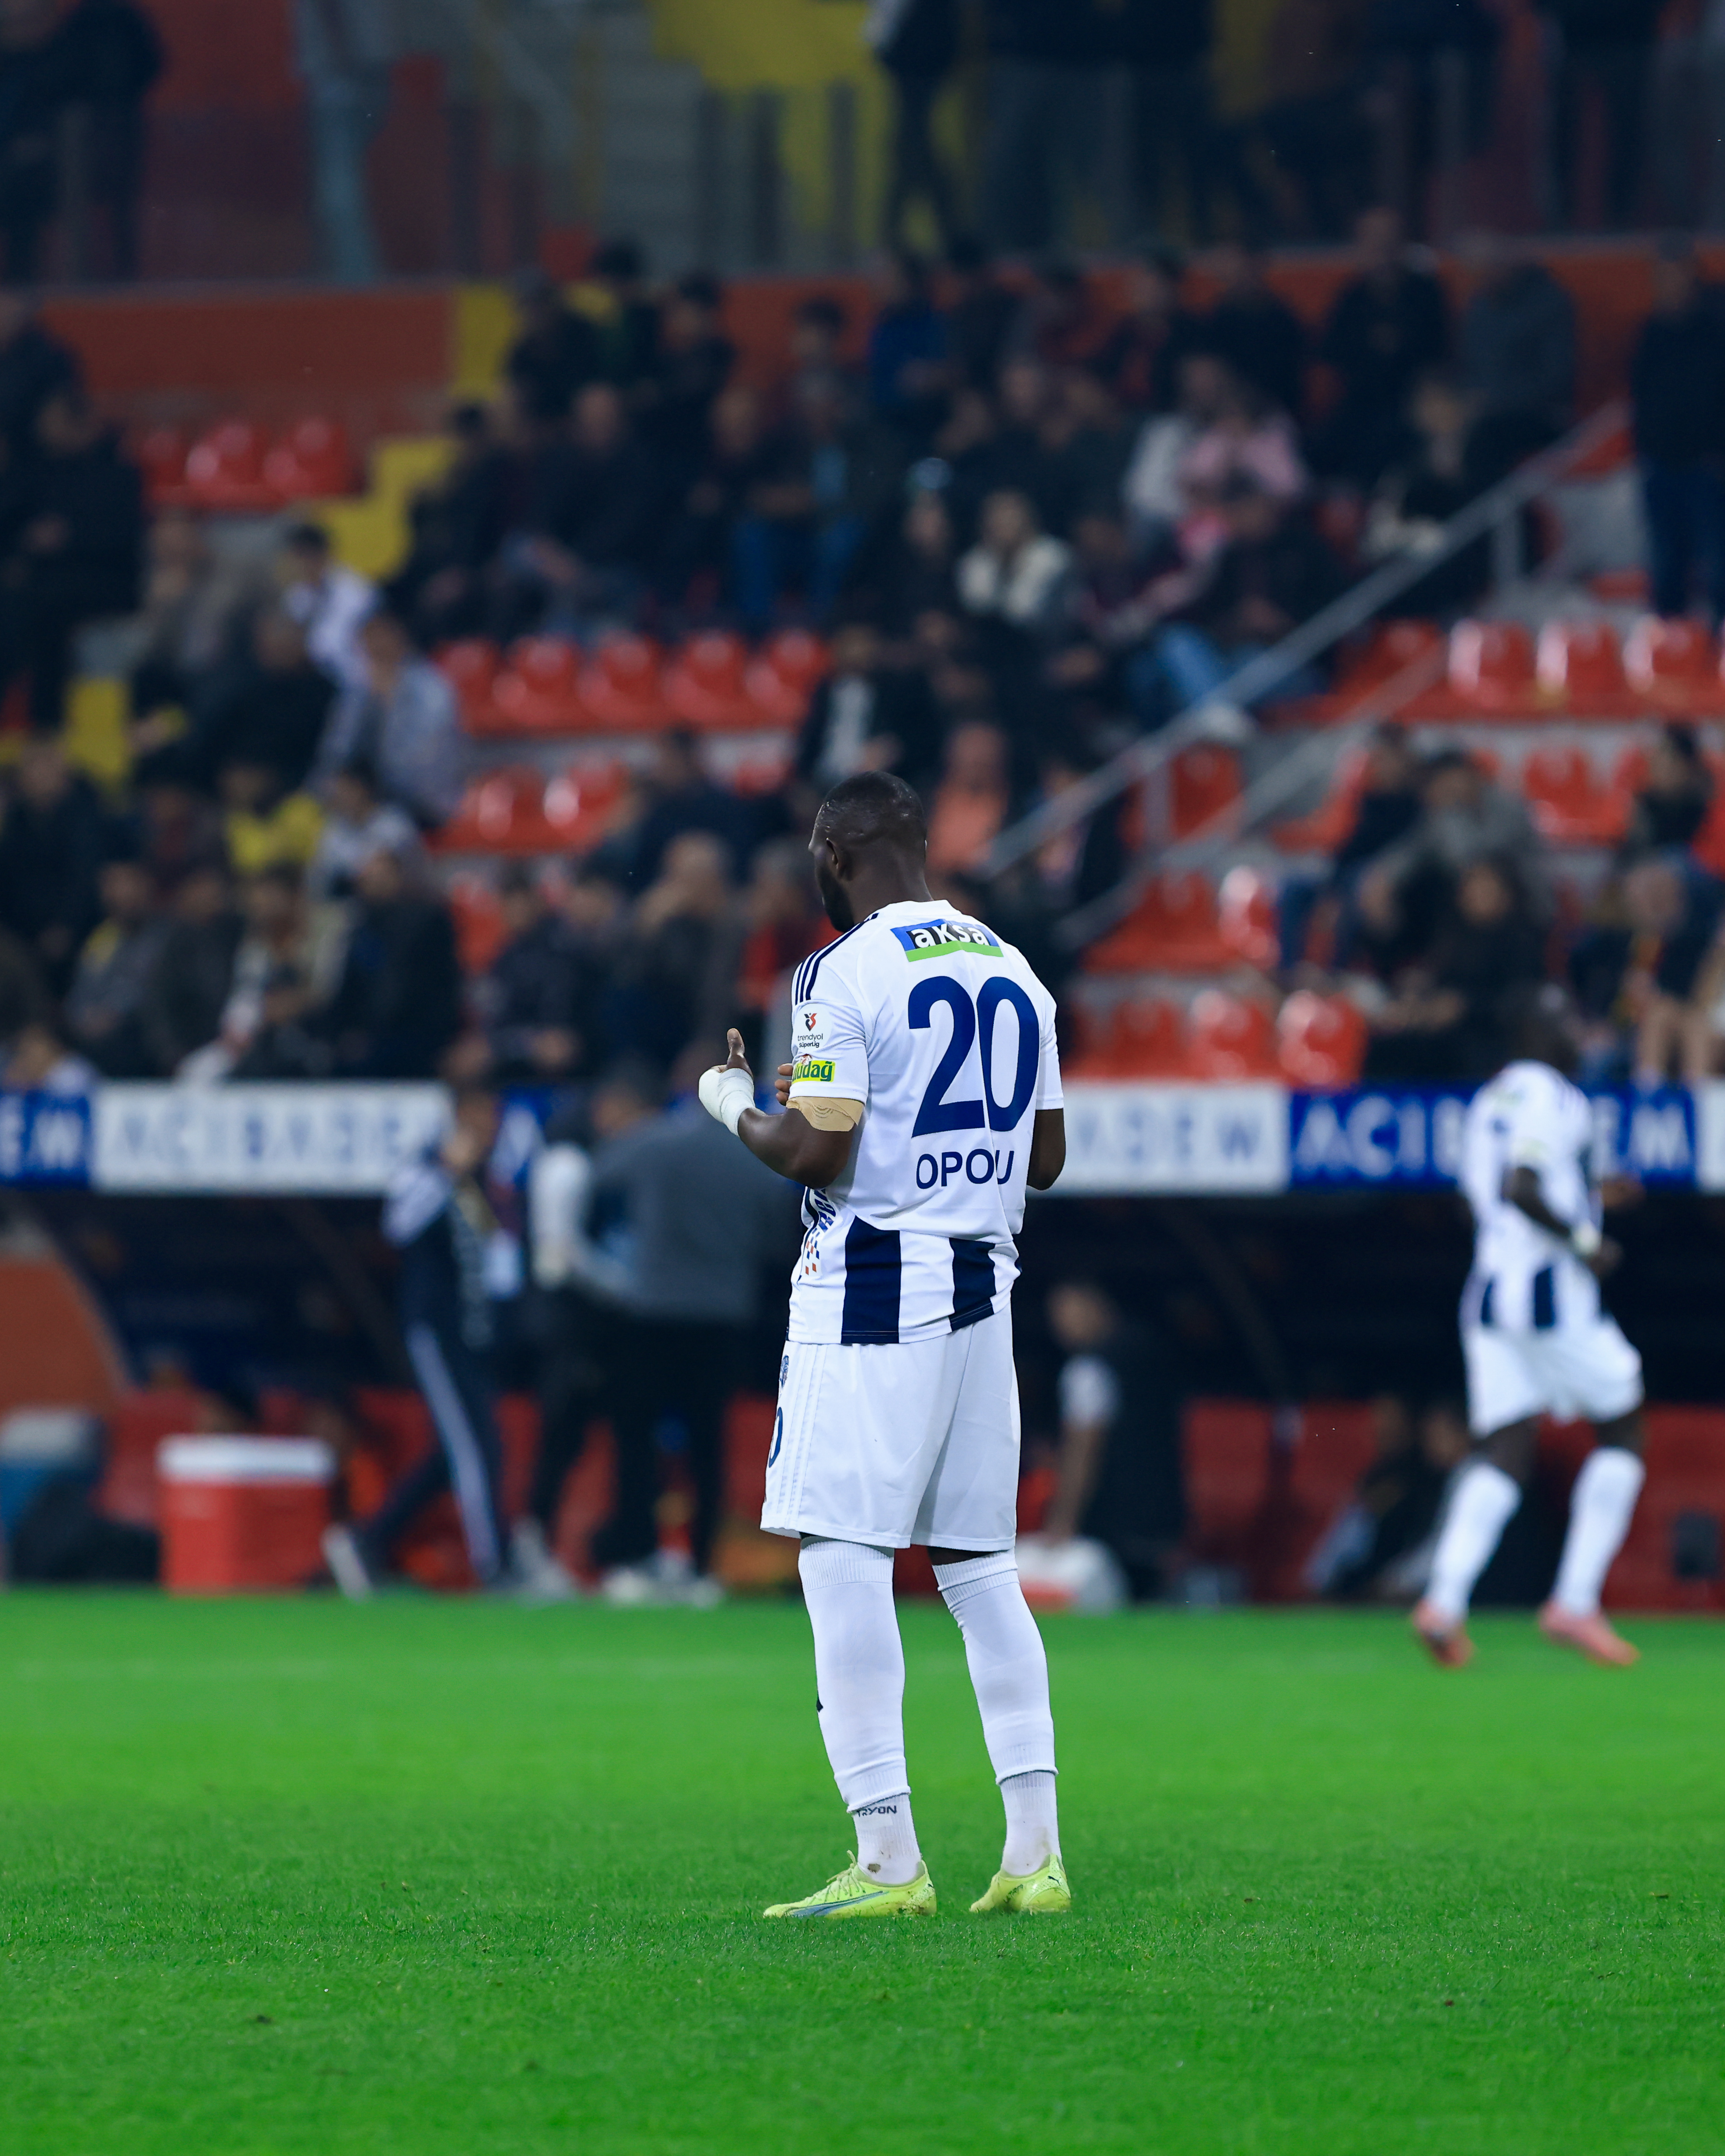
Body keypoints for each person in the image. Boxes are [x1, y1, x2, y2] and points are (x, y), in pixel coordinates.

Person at [696, 767, 1070, 1919]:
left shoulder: (838, 971)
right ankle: (1035, 1856)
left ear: (836, 856)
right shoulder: (1013, 966)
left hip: (871, 1285)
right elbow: (1047, 1159)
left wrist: (730, 1100)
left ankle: (889, 1860)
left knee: (841, 1555)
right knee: (980, 1569)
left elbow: (816, 1151)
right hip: (986, 1288)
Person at [1412, 986, 1645, 1669]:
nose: (1577, 1030)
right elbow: (1521, 1186)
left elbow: (1483, 1201)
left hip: (1488, 1294)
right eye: (1564, 1019)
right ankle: (1574, 1601)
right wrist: (1584, 1239)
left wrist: (1590, 1197)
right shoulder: (1551, 1093)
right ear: (1536, 1032)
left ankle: (1442, 1602)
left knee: (1503, 1450)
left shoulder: (1490, 1098)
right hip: (1548, 1295)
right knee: (1624, 1426)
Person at [583, 1064, 794, 1603]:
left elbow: (598, 1178)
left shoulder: (652, 1143)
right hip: (723, 1315)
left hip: (652, 1311)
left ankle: (636, 1556)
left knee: (637, 1440)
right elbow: (779, 1229)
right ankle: (702, 1564)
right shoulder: (753, 1156)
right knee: (708, 1444)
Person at [323, 1086, 518, 1596]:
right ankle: (495, 1564)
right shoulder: (426, 1167)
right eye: (481, 1115)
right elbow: (398, 1226)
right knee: (475, 1448)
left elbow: (497, 1257)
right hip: (436, 1331)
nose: (489, 1127)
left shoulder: (484, 1182)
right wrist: (446, 1171)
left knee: (460, 1451)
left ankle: (366, 1540)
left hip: (473, 1335)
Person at [0, 386, 145, 730]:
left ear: (81, 425)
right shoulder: (40, 471)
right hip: (43, 581)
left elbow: (124, 534)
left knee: (39, 610)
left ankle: (47, 723)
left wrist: (68, 537)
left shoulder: (119, 474)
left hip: (104, 582)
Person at [1034, 1279, 1186, 1599]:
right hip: (1161, 1508)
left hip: (1111, 1515)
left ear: (1097, 1306)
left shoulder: (1088, 1368)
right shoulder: (1151, 1348)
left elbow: (1083, 1450)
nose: (1062, 1325)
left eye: (1069, 1312)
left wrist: (1063, 1520)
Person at [1313, 207, 1450, 490]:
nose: (1381, 249)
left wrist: (1393, 347)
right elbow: (1331, 352)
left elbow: (1437, 352)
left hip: (1412, 401)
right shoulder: (1352, 297)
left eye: (1388, 239)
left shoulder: (1426, 292)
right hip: (1359, 400)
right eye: (1373, 241)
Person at [1630, 243, 1725, 623]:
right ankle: (1670, 649)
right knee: (1665, 569)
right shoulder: (1650, 333)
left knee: (1718, 568)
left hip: (1707, 466)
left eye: (1678, 276)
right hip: (1660, 465)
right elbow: (1640, 395)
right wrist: (1646, 449)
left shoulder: (1715, 333)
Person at [314, 605, 462, 830]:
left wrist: (389, 705)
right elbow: (336, 750)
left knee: (385, 829)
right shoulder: (358, 691)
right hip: (360, 800)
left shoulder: (433, 691)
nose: (375, 645)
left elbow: (425, 765)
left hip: (420, 804)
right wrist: (336, 784)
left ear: (400, 635)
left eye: (381, 635)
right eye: (368, 638)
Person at [58, 0, 164, 280]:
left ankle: (97, 271)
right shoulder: (119, 19)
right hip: (104, 118)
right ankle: (118, 270)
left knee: (95, 200)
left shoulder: (86, 20)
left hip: (98, 118)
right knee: (117, 202)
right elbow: (152, 62)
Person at [869, 0, 961, 250]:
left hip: (917, 58)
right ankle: (948, 230)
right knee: (914, 150)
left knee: (912, 150)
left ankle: (894, 235)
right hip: (920, 58)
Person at [277, 523, 374, 692]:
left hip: (357, 679)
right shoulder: (296, 596)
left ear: (322, 554)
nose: (302, 565)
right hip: (313, 679)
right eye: (297, 558)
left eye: (307, 556)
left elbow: (338, 644)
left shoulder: (357, 591)